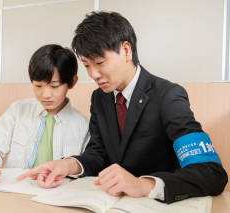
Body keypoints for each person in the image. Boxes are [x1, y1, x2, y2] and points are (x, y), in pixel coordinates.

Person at [17, 11, 228, 203]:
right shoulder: (99, 98)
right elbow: (97, 154)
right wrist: (68, 165)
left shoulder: (168, 96)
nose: (93, 75)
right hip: (112, 203)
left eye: (99, 63)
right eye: (87, 65)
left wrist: (144, 185)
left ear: (126, 50)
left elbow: (212, 173)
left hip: (157, 204)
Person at [0, 44, 90, 185]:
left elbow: (86, 169)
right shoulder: (18, 110)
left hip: (56, 196)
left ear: (72, 82)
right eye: (38, 86)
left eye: (54, 86)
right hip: (16, 192)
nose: (45, 94)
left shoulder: (83, 125)